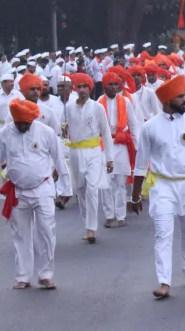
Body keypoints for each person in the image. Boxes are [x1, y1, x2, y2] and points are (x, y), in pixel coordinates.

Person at [128, 76, 185, 299]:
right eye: (181, 97)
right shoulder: (150, 128)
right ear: (167, 100)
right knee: (163, 233)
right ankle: (164, 281)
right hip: (163, 186)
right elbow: (140, 165)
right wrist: (135, 196)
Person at [0, 99, 67, 290]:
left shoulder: (46, 133)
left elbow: (59, 160)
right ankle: (23, 276)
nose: (21, 126)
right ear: (13, 119)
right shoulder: (4, 135)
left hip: (43, 188)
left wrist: (65, 188)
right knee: (21, 235)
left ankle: (45, 275)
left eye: (25, 124)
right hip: (18, 191)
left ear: (33, 120)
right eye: (18, 123)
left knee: (46, 232)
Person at [64, 73, 114, 243]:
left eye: (85, 86)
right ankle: (87, 225)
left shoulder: (97, 107)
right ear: (75, 89)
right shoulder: (68, 108)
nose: (83, 90)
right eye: (79, 87)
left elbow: (106, 132)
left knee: (92, 188)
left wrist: (109, 158)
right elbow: (64, 134)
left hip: (93, 151)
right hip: (75, 153)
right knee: (81, 190)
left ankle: (92, 228)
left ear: (90, 88)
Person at [100, 71, 139, 228]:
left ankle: (121, 215)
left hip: (121, 144)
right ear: (104, 86)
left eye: (117, 84)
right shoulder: (98, 103)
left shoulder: (125, 101)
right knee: (106, 183)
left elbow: (134, 124)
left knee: (120, 181)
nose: (114, 87)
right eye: (110, 84)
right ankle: (109, 215)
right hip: (104, 145)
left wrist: (137, 146)